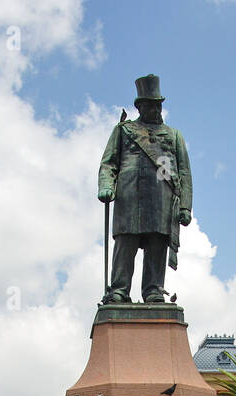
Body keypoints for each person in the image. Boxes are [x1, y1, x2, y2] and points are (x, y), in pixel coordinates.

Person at [98, 74, 193, 304]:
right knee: (125, 244)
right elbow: (108, 163)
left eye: (158, 104)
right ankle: (119, 290)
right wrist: (106, 185)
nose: (156, 108)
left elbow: (183, 172)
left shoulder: (173, 135)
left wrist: (185, 206)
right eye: (151, 104)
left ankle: (153, 289)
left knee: (156, 244)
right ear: (140, 106)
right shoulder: (123, 131)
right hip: (129, 196)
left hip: (161, 198)